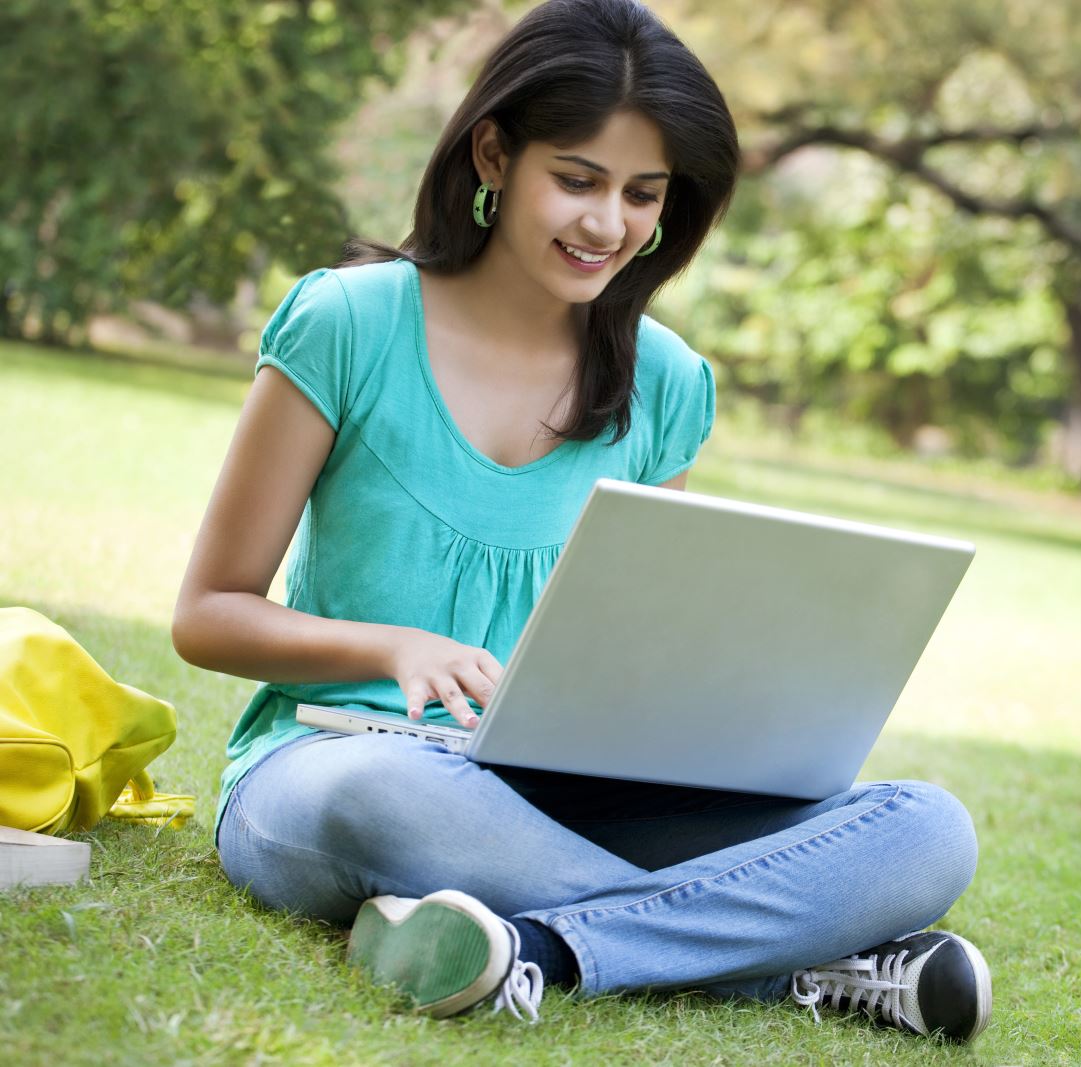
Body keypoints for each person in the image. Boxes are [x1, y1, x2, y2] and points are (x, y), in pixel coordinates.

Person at [171, 0, 990, 1042]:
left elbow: (645, 647)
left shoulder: (667, 381)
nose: (609, 224)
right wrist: (393, 646)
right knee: (391, 792)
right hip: (343, 768)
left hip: (561, 794)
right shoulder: (347, 322)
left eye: (643, 195)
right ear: (494, 154)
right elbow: (208, 614)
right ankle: (801, 962)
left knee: (926, 830)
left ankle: (537, 950)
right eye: (578, 178)